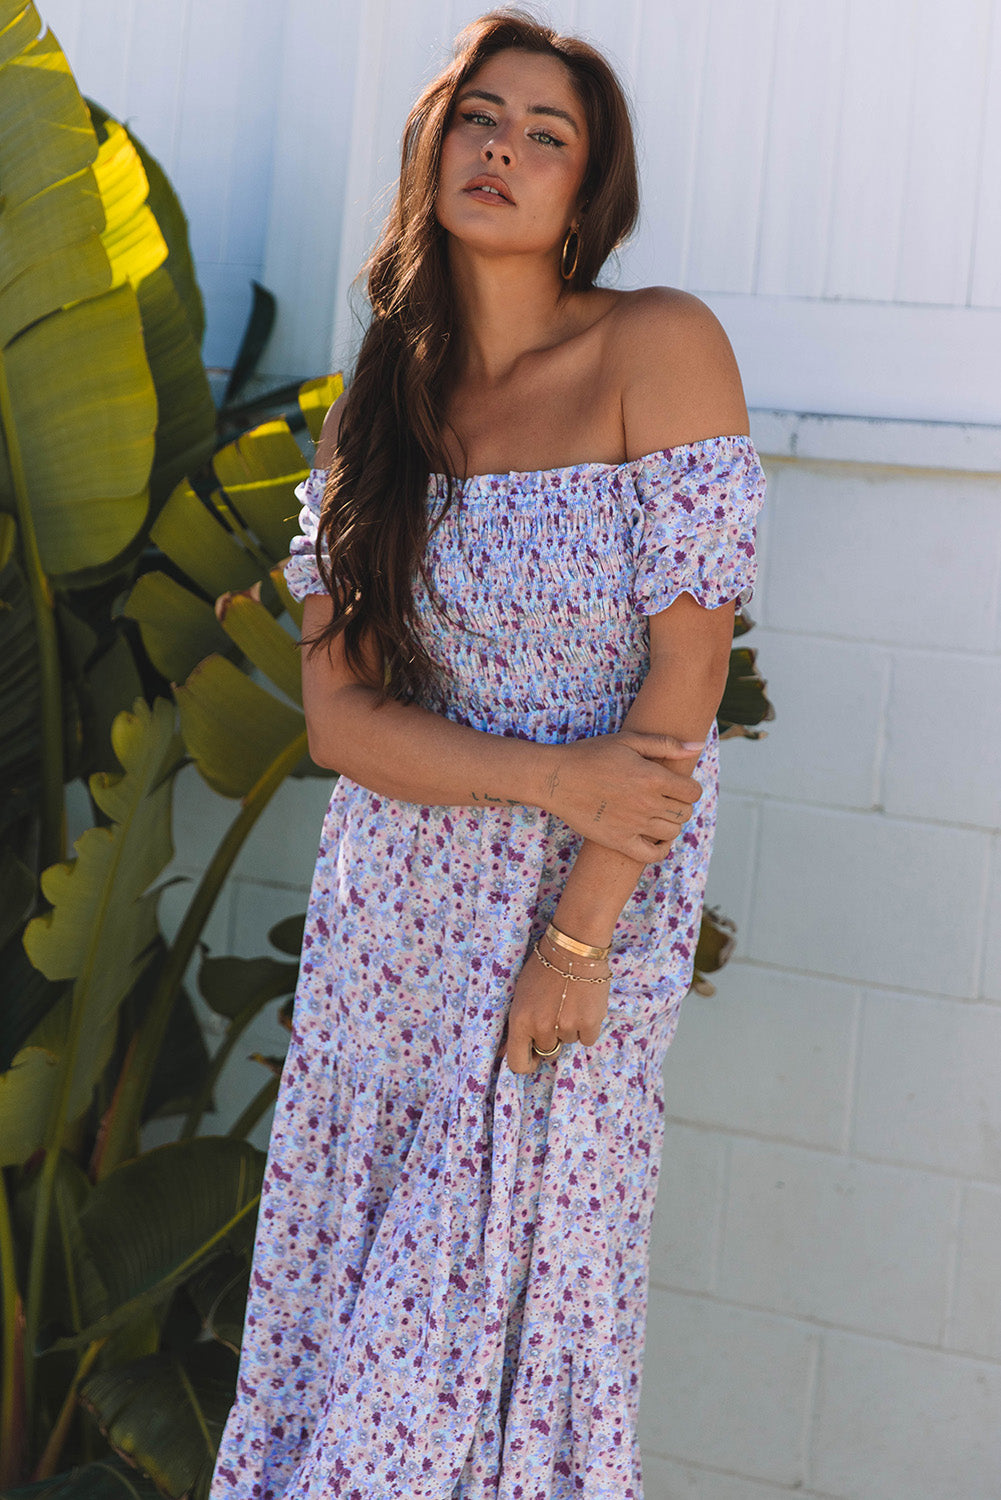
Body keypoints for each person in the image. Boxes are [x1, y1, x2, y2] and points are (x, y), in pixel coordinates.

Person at [211, 9, 765, 1498]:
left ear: (587, 193)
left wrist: (575, 942)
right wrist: (544, 772)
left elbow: (681, 688)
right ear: (431, 147)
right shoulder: (373, 413)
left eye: (546, 133)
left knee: (501, 1331)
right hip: (389, 930)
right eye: (479, 116)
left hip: (577, 928)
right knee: (357, 1344)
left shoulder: (660, 347)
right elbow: (342, 722)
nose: (502, 150)